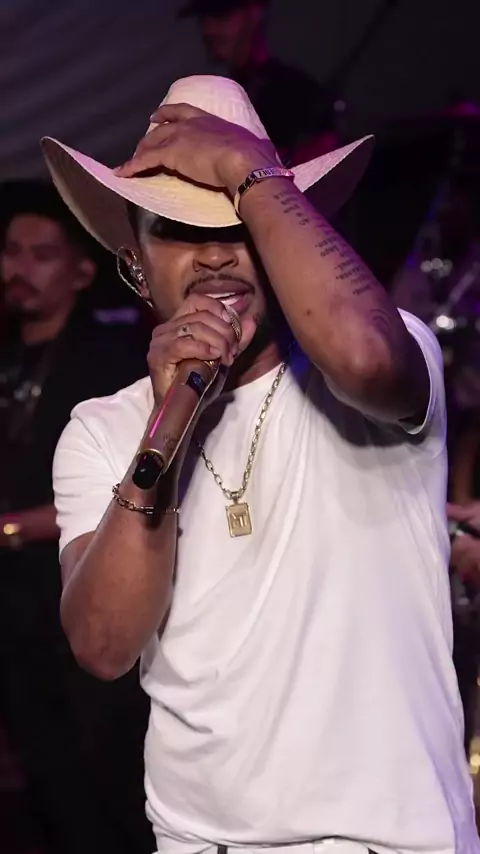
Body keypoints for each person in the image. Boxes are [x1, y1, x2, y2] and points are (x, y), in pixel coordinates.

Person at [42, 75, 478, 854]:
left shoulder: (389, 352)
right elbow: (104, 643)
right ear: (135, 265)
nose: (216, 253)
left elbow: (364, 355)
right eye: (178, 230)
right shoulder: (103, 429)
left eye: (241, 222)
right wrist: (165, 430)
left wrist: (249, 167)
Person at [0, 182, 154, 854]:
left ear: (83, 271)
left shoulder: (110, 361)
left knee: (102, 792)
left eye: (41, 255)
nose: (19, 269)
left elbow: (130, 488)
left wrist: (13, 529)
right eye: (11, 251)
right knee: (42, 793)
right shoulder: (8, 351)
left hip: (79, 596)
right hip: (15, 615)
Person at [180, 0, 337, 164]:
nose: (209, 29)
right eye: (203, 18)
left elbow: (325, 162)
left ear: (255, 12)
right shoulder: (216, 92)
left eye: (220, 15)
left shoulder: (296, 93)